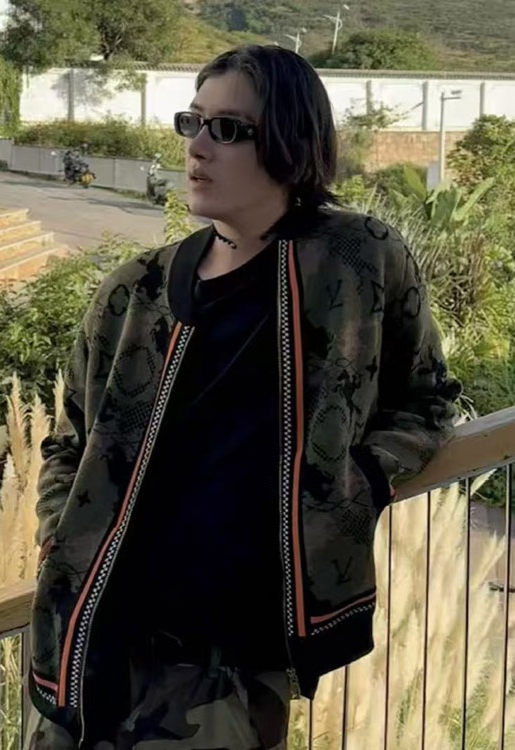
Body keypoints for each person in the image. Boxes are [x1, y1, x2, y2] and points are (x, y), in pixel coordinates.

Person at [25, 44, 460, 750]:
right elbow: (69, 440)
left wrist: (354, 482)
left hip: (224, 661)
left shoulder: (358, 260)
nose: (197, 146)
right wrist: (58, 528)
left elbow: (429, 400)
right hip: (88, 642)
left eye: (228, 129)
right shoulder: (135, 290)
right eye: (191, 122)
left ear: (292, 141)